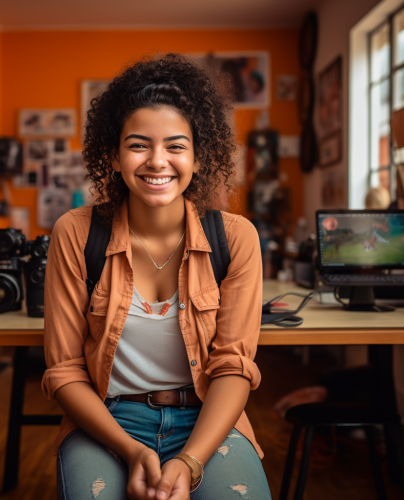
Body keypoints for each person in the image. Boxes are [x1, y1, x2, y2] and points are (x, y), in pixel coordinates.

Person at [42, 53, 271, 500]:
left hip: (207, 418)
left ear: (199, 157)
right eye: (139, 144)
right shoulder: (75, 232)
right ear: (114, 155)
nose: (157, 161)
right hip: (107, 419)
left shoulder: (236, 238)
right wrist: (130, 450)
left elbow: (232, 367)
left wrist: (189, 460)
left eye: (176, 146)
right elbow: (65, 370)